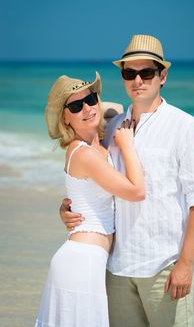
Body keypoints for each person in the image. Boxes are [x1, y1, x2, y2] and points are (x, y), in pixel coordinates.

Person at [60, 35, 194, 327]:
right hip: (116, 269)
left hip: (164, 269)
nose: (138, 80)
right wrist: (69, 206)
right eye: (129, 73)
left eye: (147, 72)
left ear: (162, 76)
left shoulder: (185, 127)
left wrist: (186, 263)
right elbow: (92, 176)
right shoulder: (112, 125)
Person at [35, 72, 145, 327]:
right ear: (65, 117)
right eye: (75, 106)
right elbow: (136, 191)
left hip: (90, 261)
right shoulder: (83, 153)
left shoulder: (97, 143)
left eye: (91, 98)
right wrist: (127, 146)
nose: (86, 108)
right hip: (81, 262)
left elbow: (115, 109)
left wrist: (90, 110)